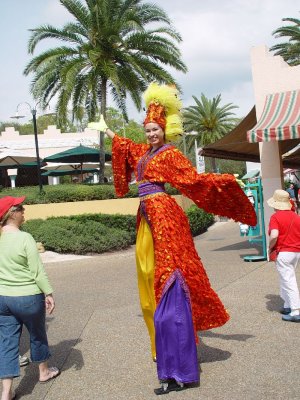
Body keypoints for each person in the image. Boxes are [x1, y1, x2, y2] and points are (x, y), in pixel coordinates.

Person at [90, 83, 256, 394]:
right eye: (148, 129)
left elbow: (193, 179)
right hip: (147, 217)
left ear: (165, 131)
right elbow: (128, 148)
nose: (151, 134)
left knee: (171, 283)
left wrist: (225, 180)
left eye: (156, 129)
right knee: (154, 283)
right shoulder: (146, 152)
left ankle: (180, 369)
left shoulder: (169, 155)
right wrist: (109, 131)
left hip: (164, 217)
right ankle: (171, 367)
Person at [0, 196, 60, 400]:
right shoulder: (25, 238)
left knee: (7, 343)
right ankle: (43, 372)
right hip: (28, 297)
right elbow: (37, 271)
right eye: (20, 208)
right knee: (37, 334)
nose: (24, 211)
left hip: (3, 299)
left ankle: (6, 392)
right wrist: (49, 293)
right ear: (11, 213)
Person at [267, 189, 300, 323]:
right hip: (296, 252)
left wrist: (270, 247)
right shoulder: (296, 216)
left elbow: (274, 235)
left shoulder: (275, 217)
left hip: (284, 252)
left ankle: (295, 311)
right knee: (286, 278)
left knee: (288, 280)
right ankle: (287, 305)